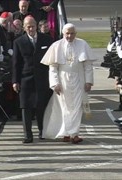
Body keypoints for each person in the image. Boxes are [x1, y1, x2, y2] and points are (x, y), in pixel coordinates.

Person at [41, 23, 96, 144]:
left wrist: (89, 81)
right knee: (64, 107)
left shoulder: (82, 44)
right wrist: (55, 83)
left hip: (79, 79)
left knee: (77, 108)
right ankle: (66, 133)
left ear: (76, 34)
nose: (69, 36)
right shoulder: (56, 46)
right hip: (63, 80)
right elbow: (53, 67)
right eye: (67, 33)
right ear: (63, 33)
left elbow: (88, 66)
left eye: (72, 33)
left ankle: (74, 134)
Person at [12, 15, 53, 143]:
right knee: (26, 107)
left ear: (37, 26)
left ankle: (42, 131)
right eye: (28, 26)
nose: (31, 29)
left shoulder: (47, 39)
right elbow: (16, 63)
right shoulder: (18, 42)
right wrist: (15, 81)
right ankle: (27, 135)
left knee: (41, 106)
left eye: (33, 26)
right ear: (24, 28)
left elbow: (52, 60)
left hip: (42, 78)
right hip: (25, 78)